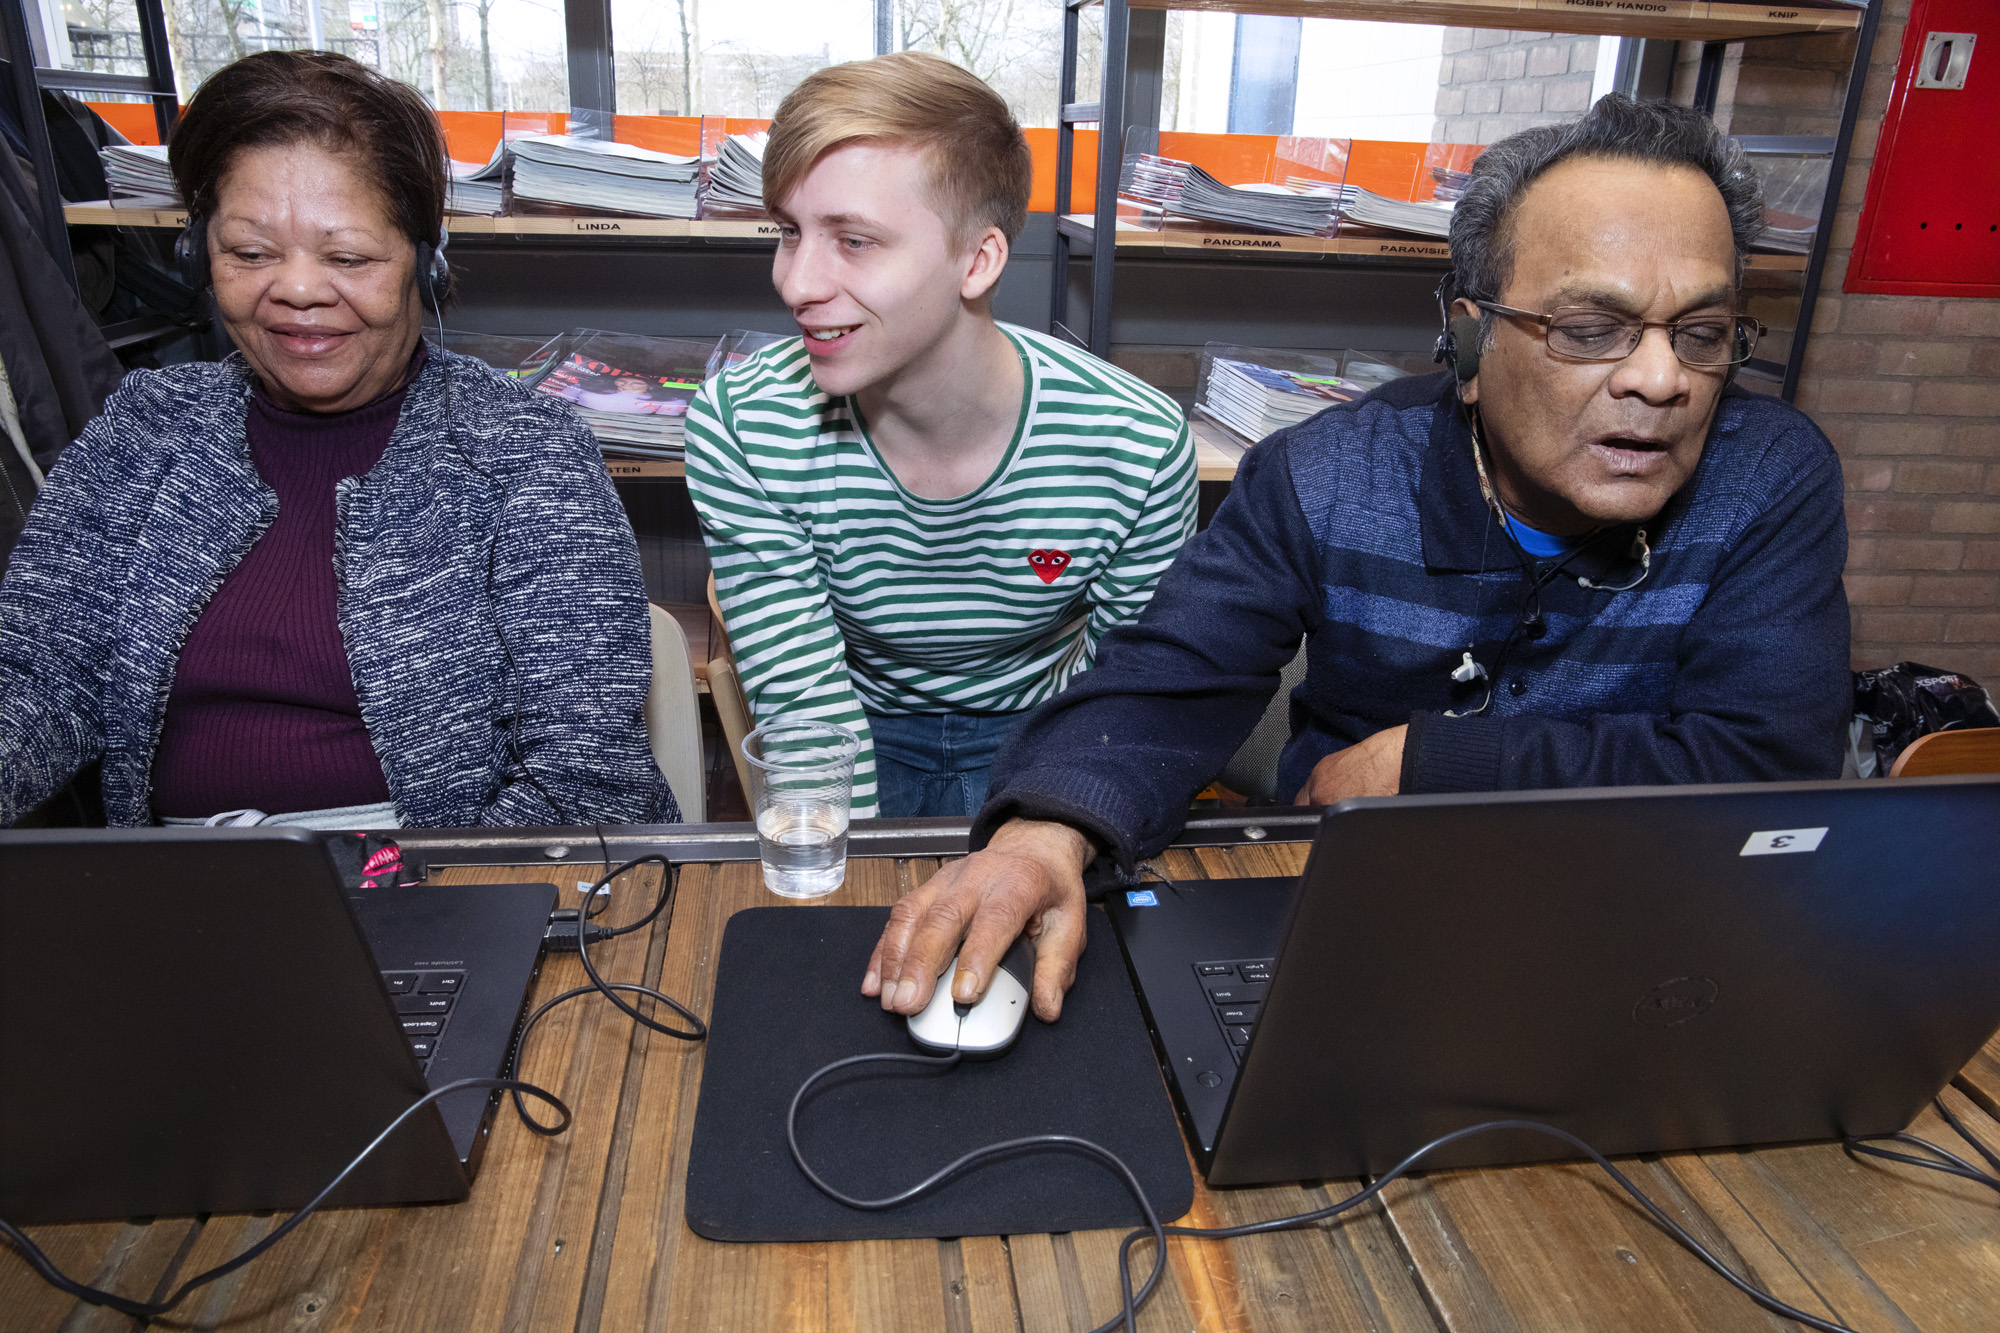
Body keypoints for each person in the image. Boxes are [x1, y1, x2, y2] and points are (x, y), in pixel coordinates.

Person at [863, 94, 1852, 1023]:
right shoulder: (1325, 473)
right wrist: (1047, 827)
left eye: (1702, 333)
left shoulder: (1765, 477)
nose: (1658, 378)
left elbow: (1768, 767)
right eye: (1589, 330)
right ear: (1465, 342)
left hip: (1647, 928)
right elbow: (1166, 677)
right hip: (1359, 928)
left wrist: (1429, 762)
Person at [0, 51, 678, 829]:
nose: (295, 290)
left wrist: (395, 903)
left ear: (425, 264)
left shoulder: (527, 451)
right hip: (178, 892)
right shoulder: (145, 427)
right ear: (199, 256)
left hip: (436, 890)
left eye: (347, 257)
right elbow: (39, 676)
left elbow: (587, 779)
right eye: (249, 254)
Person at [685, 52, 1197, 820]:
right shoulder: (742, 426)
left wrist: (1051, 836)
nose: (796, 284)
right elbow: (806, 711)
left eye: (853, 240)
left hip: (1047, 736)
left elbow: (1115, 709)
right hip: (855, 732)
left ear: (978, 259)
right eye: (790, 232)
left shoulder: (1139, 446)